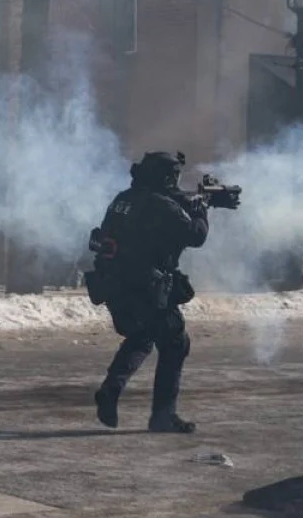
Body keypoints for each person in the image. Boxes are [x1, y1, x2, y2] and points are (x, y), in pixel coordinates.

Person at [86, 151, 237, 434]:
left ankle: (111, 389)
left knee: (142, 337)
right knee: (175, 343)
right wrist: (200, 209)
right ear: (166, 177)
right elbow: (196, 235)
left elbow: (151, 217)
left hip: (113, 284)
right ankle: (163, 417)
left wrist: (196, 200)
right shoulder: (161, 206)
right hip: (145, 287)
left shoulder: (123, 200)